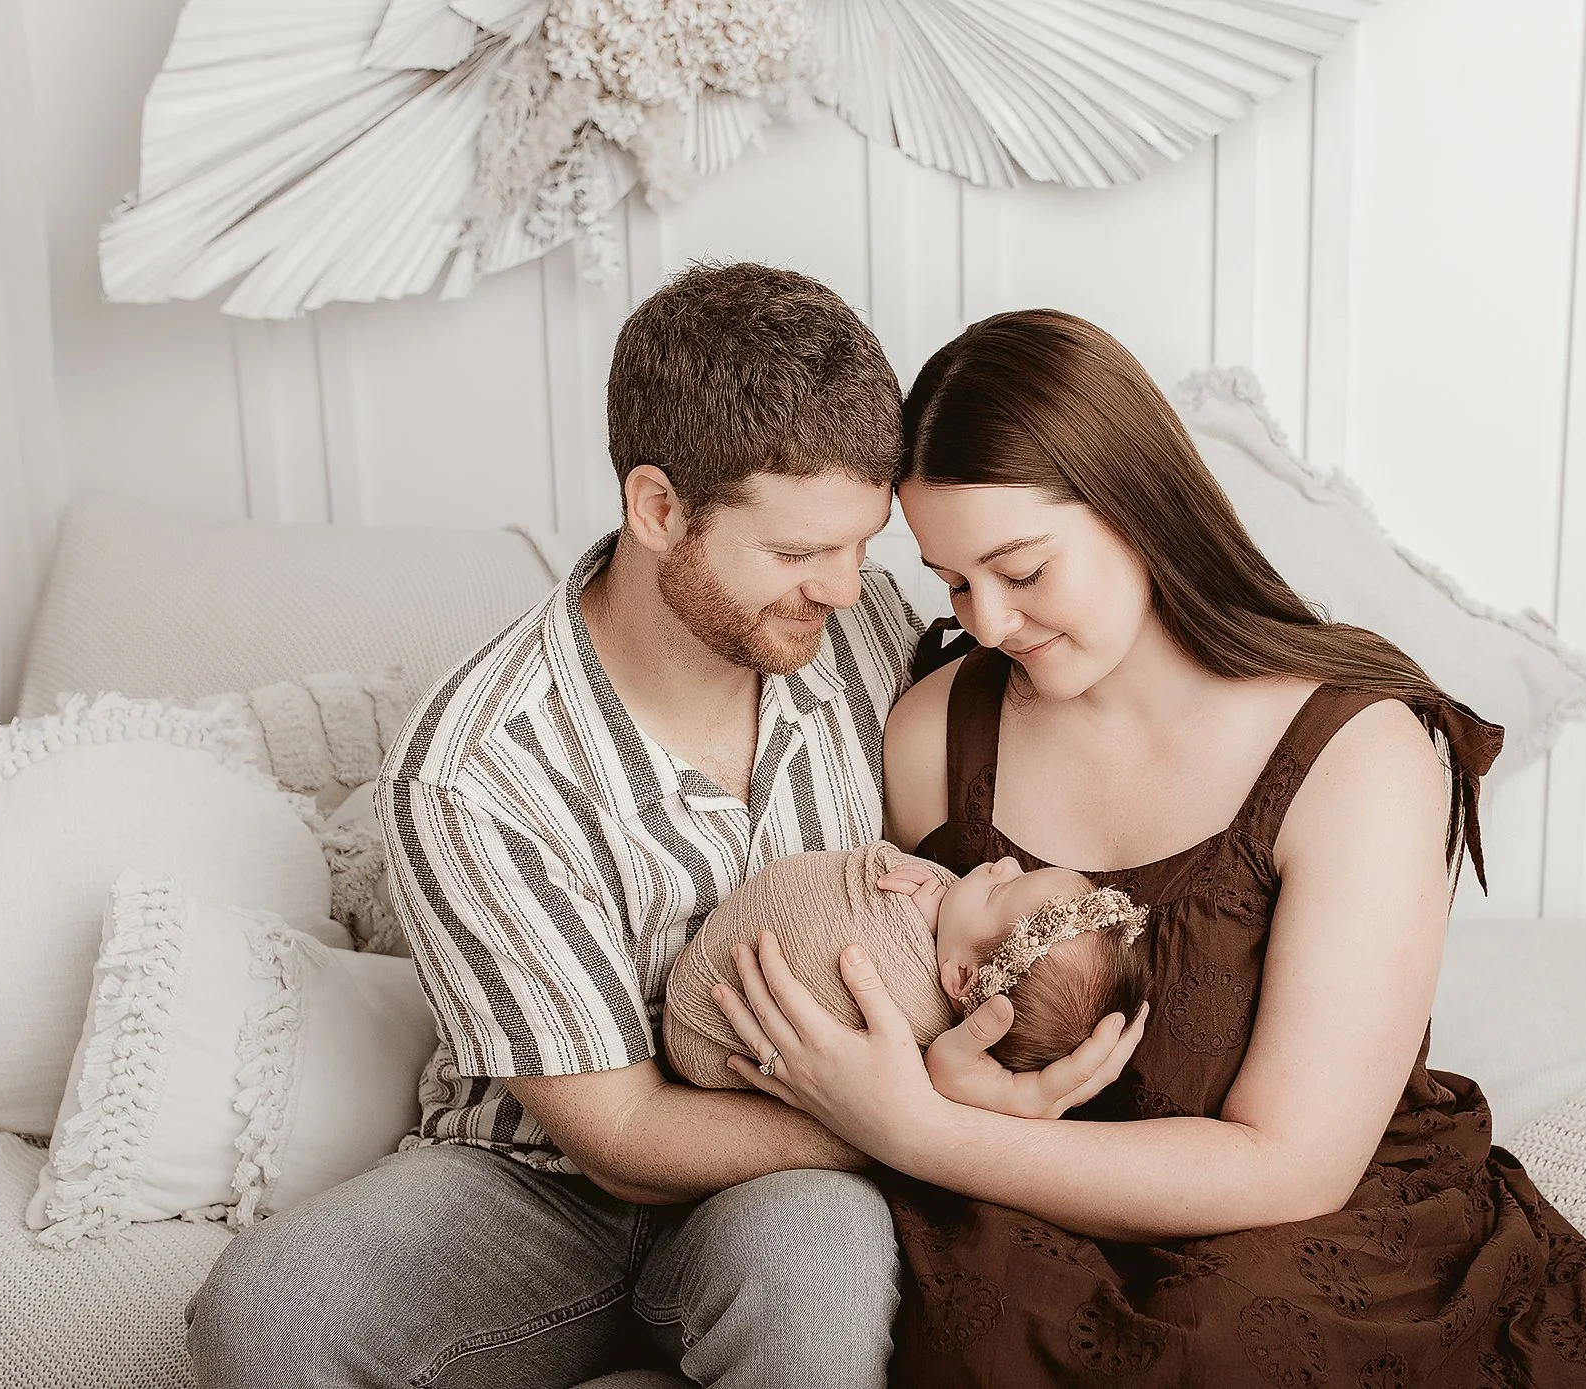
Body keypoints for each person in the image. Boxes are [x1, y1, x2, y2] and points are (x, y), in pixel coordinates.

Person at [712, 309, 1586, 1386]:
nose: (988, 622)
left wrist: (920, 1133)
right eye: (954, 583)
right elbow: (915, 992)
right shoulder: (937, 731)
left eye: (1023, 570)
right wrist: (940, 1085)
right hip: (1022, 1208)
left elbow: (1291, 1167)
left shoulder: (1355, 750)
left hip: (1307, 1222)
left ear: (1138, 510)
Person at [185, 265, 1123, 1389]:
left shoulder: (869, 628)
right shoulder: (473, 775)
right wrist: (923, 1113)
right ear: (657, 507)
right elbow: (620, 1138)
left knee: (811, 1268)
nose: (843, 588)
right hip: (541, 1179)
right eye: (792, 554)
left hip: (779, 1192)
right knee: (266, 1310)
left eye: (860, 544)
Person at [661, 841, 1150, 1086]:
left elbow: (832, 927)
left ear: (961, 977)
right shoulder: (948, 928)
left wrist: (904, 913)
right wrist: (941, 914)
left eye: (999, 889)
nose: (1005, 863)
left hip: (704, 1034)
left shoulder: (909, 1006)